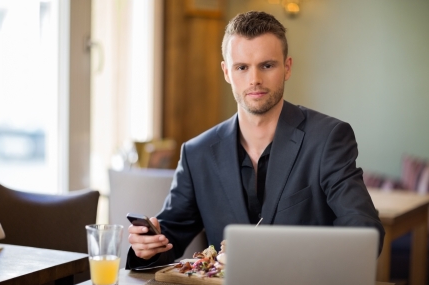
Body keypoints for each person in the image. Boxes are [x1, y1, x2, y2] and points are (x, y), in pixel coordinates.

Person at [126, 11, 385, 269]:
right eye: (242, 67)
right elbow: (168, 236)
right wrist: (148, 248)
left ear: (287, 67)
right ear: (227, 72)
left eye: (267, 65)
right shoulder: (197, 153)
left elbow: (364, 230)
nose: (254, 80)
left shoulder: (328, 138)